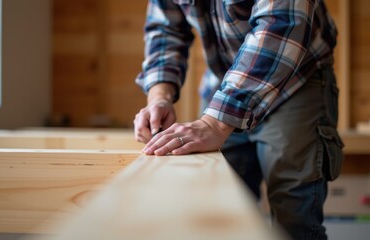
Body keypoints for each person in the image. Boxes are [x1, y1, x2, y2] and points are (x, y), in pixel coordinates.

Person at [133, 0, 344, 239]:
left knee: (294, 224)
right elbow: (165, 29)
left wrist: (214, 123)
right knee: (219, 218)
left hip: (296, 82)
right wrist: (159, 96)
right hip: (223, 85)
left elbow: (281, 24)